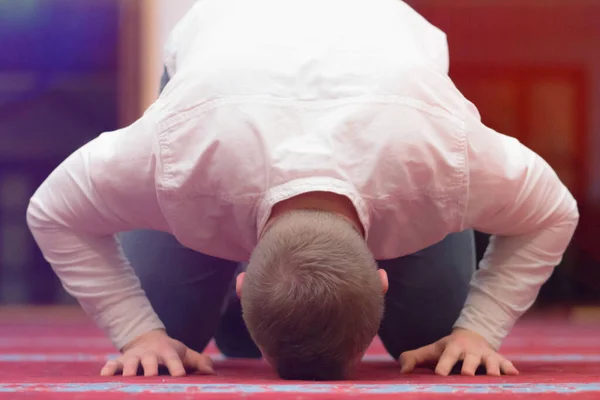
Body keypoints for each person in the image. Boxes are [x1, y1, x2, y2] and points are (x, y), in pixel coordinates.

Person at [27, 0, 578, 381]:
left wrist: (477, 333)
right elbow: (52, 212)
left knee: (439, 342)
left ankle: (254, 324)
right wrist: (139, 333)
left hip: (395, 82)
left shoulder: (441, 156)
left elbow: (555, 212)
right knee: (165, 339)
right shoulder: (179, 152)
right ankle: (236, 317)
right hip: (219, 74)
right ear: (383, 281)